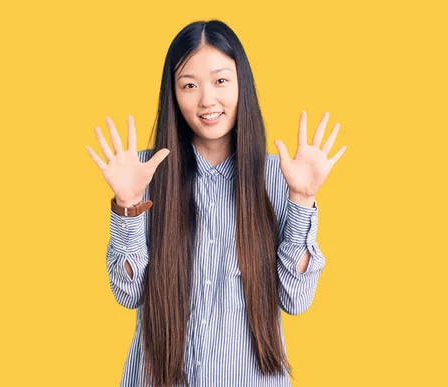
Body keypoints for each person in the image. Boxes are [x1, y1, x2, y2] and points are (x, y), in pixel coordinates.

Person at [85, 19, 346, 387]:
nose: (207, 99)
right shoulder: (143, 173)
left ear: (243, 84)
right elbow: (129, 294)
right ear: (173, 94)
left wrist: (303, 199)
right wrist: (127, 204)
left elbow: (297, 300)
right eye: (189, 85)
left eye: (220, 81)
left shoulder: (280, 177)